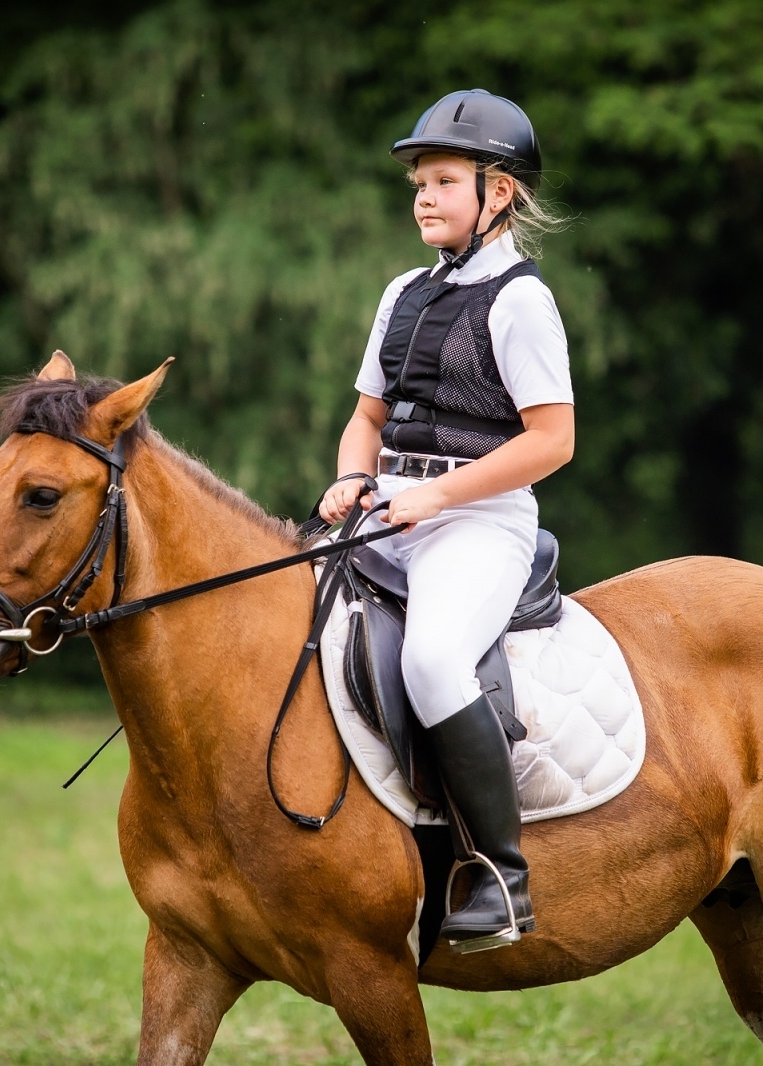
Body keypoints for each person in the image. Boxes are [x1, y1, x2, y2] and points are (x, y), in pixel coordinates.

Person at [319, 88, 574, 950]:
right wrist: (354, 477)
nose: (422, 197)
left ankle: (502, 875)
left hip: (481, 522)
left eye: (442, 181)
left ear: (496, 193)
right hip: (389, 508)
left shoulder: (521, 302)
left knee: (432, 659)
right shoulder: (402, 293)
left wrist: (435, 495)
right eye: (418, 183)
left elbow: (553, 441)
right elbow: (366, 417)